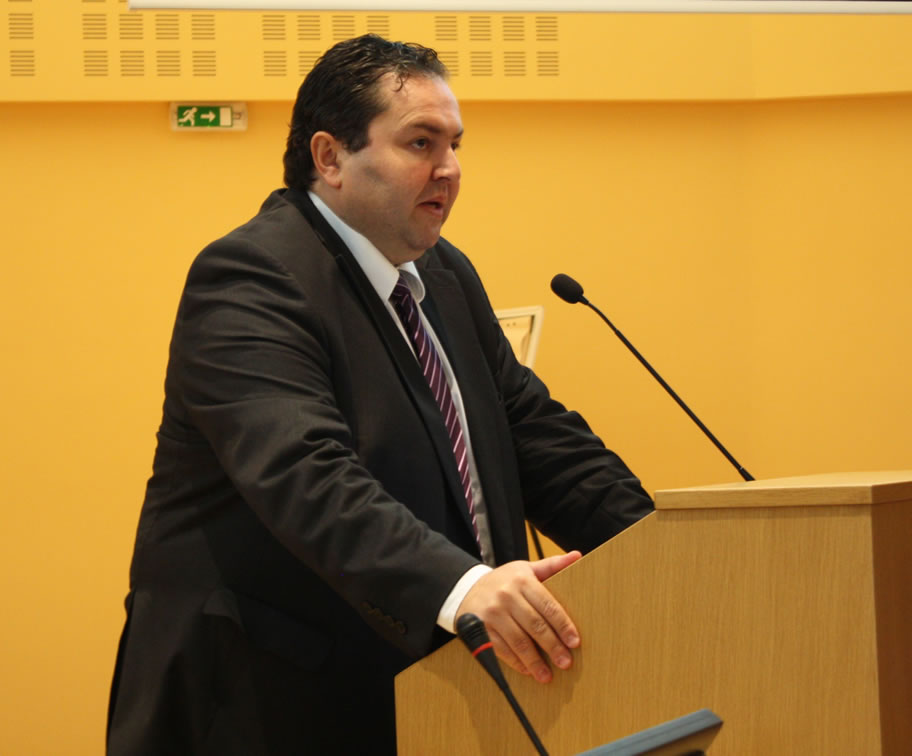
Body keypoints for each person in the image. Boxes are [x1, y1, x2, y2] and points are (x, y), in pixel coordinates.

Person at [107, 34, 652, 755]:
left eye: (455, 145)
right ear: (330, 157)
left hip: (428, 695)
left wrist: (662, 548)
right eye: (421, 143)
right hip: (268, 704)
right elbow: (305, 475)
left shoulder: (445, 277)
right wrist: (463, 586)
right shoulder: (252, 277)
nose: (449, 169)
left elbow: (539, 437)